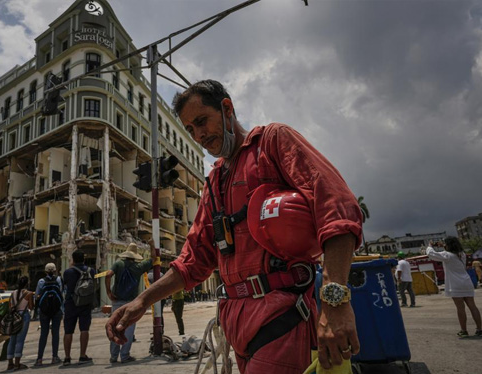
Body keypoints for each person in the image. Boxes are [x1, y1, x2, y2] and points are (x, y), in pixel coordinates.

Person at [106, 80, 363, 373]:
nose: (199, 135)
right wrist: (141, 301)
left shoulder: (273, 142)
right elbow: (193, 261)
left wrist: (335, 301)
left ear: (227, 108)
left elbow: (337, 208)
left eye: (202, 121)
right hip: (236, 327)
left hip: (282, 317)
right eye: (190, 129)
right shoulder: (214, 182)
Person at [104, 243, 154, 364]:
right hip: (132, 303)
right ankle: (125, 355)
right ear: (135, 256)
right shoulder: (139, 266)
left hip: (117, 301)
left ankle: (113, 356)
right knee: (129, 330)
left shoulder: (118, 264)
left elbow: (108, 275)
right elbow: (154, 259)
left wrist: (109, 292)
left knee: (115, 328)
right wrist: (152, 245)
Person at [425, 237, 482, 338]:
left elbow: (431, 254)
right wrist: (443, 245)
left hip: (456, 284)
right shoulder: (462, 254)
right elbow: (452, 250)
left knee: (460, 308)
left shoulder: (447, 255)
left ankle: (464, 330)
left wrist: (430, 246)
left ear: (447, 245)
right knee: (473, 306)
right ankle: (479, 329)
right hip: (466, 282)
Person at [62, 250, 95, 365]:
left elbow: (65, 284)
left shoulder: (68, 272)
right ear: (84, 259)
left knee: (68, 331)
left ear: (73, 260)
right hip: (85, 304)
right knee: (84, 329)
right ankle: (82, 355)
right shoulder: (91, 271)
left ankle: (67, 357)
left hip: (71, 304)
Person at [34, 263, 64, 366]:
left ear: (45, 271)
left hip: (44, 311)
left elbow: (37, 295)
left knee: (43, 334)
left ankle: (39, 359)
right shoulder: (59, 280)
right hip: (57, 310)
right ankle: (54, 357)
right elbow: (61, 293)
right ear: (55, 270)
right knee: (55, 334)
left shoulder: (41, 281)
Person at [6, 276, 34, 371]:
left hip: (14, 317)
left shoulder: (13, 293)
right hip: (24, 316)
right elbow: (31, 307)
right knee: (20, 340)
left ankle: (10, 363)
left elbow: (10, 307)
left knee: (12, 340)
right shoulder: (28, 293)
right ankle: (17, 363)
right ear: (27, 283)